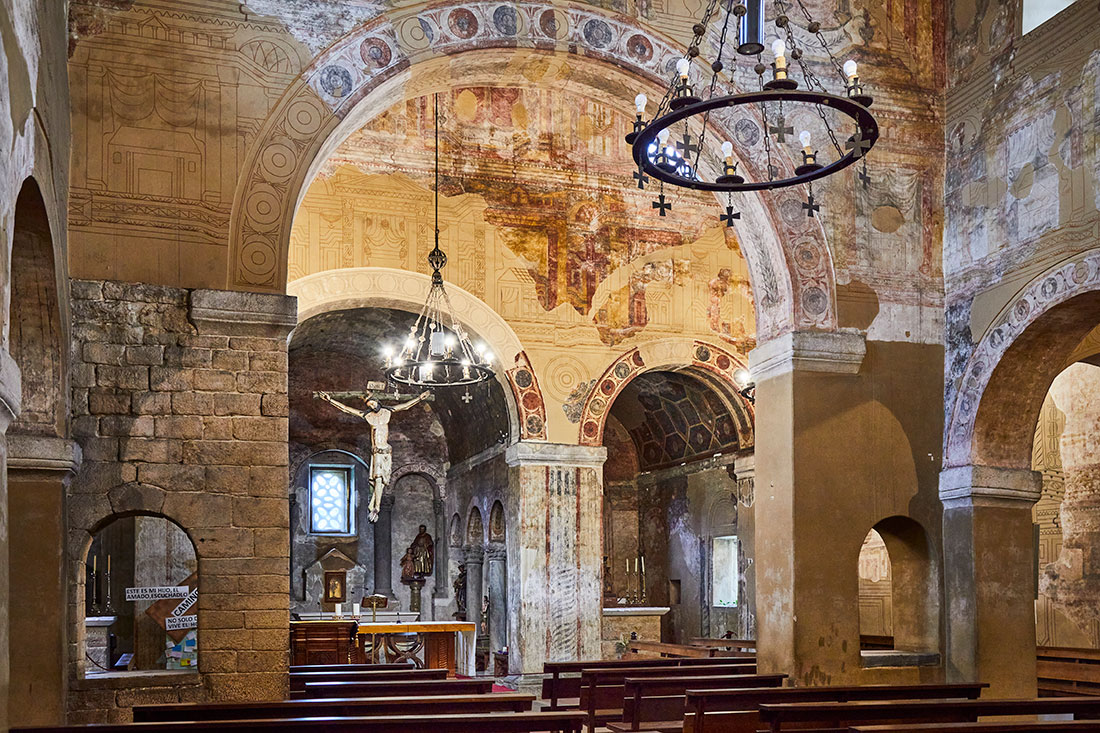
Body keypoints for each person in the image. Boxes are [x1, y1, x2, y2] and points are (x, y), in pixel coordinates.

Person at [316, 390, 430, 520]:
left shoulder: (388, 412)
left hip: (386, 450)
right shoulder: (368, 416)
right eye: (369, 405)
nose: (372, 406)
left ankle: (374, 506)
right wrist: (330, 400)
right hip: (376, 451)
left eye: (373, 403)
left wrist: (420, 398)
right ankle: (376, 507)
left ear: (377, 401)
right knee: (378, 478)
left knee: (382, 480)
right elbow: (347, 409)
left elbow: (405, 405)